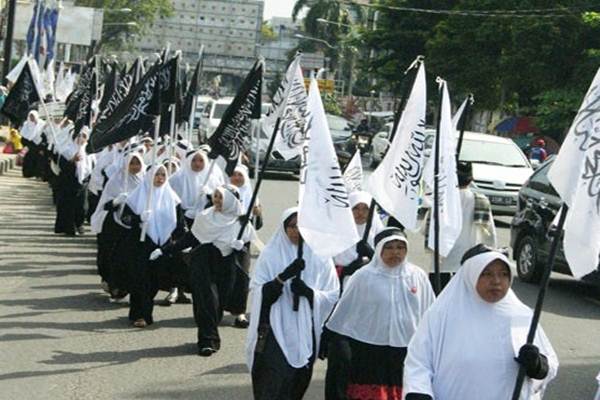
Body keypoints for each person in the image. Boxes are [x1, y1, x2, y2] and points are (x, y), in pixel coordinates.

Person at [403, 244, 558, 400]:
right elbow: (418, 363)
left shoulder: (520, 315)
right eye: (487, 274)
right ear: (471, 275)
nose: (496, 281)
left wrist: (537, 365)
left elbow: (550, 363)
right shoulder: (441, 316)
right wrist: (419, 392)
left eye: (503, 274)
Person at [323, 228, 434, 400]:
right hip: (369, 352)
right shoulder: (363, 277)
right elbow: (344, 315)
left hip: (407, 351)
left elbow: (430, 313)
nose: (395, 252)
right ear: (379, 249)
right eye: (389, 247)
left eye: (400, 247)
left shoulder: (417, 276)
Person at [246, 208, 339, 400]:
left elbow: (332, 295)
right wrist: (281, 279)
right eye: (292, 226)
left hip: (305, 330)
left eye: (302, 226)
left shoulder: (321, 257)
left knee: (296, 383)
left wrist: (308, 293)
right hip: (274, 327)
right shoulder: (270, 254)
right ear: (284, 227)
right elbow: (257, 292)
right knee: (272, 379)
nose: (297, 231)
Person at [152, 184, 254, 355]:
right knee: (206, 300)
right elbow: (190, 239)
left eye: (221, 197)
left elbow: (247, 248)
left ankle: (211, 330)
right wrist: (164, 250)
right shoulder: (205, 217)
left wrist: (240, 247)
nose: (217, 201)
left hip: (227, 265)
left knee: (218, 303)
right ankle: (207, 341)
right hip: (204, 262)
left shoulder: (241, 222)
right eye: (216, 196)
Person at [122, 165, 184, 327]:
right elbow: (125, 218)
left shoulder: (172, 197)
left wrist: (178, 243)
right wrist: (139, 218)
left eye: (163, 175)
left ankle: (144, 310)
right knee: (141, 279)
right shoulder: (137, 196)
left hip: (162, 246)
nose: (160, 178)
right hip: (140, 244)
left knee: (155, 280)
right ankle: (140, 315)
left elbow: (178, 225)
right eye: (156, 174)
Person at [425, 161, 497, 290]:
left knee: (438, 298)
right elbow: (489, 231)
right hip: (468, 257)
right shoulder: (480, 200)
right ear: (471, 179)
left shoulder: (441, 200)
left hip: (442, 256)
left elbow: (427, 227)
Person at [164, 149, 223, 305]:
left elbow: (220, 200)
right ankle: (174, 289)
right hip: (181, 220)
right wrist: (182, 211)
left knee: (197, 257)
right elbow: (168, 199)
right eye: (194, 160)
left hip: (203, 222)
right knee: (177, 254)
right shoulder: (177, 178)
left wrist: (209, 195)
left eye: (201, 161)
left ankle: (191, 288)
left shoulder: (212, 179)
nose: (197, 164)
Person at [90, 151, 145, 299]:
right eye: (131, 163)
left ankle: (128, 288)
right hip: (114, 226)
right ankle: (114, 285)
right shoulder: (115, 181)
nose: (134, 167)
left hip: (134, 226)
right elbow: (105, 204)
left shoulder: (144, 181)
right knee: (114, 256)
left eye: (137, 163)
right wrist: (116, 201)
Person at [228, 164, 263, 328]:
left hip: (243, 240)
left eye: (240, 175)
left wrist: (256, 212)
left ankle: (240, 312)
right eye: (234, 175)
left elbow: (258, 224)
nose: (237, 178)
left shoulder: (252, 194)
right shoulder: (224, 191)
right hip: (224, 239)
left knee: (242, 276)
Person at [333, 191, 384, 291]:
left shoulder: (378, 232)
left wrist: (371, 254)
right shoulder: (336, 231)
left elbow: (387, 264)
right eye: (355, 208)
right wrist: (345, 270)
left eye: (365, 209)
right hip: (340, 285)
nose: (360, 213)